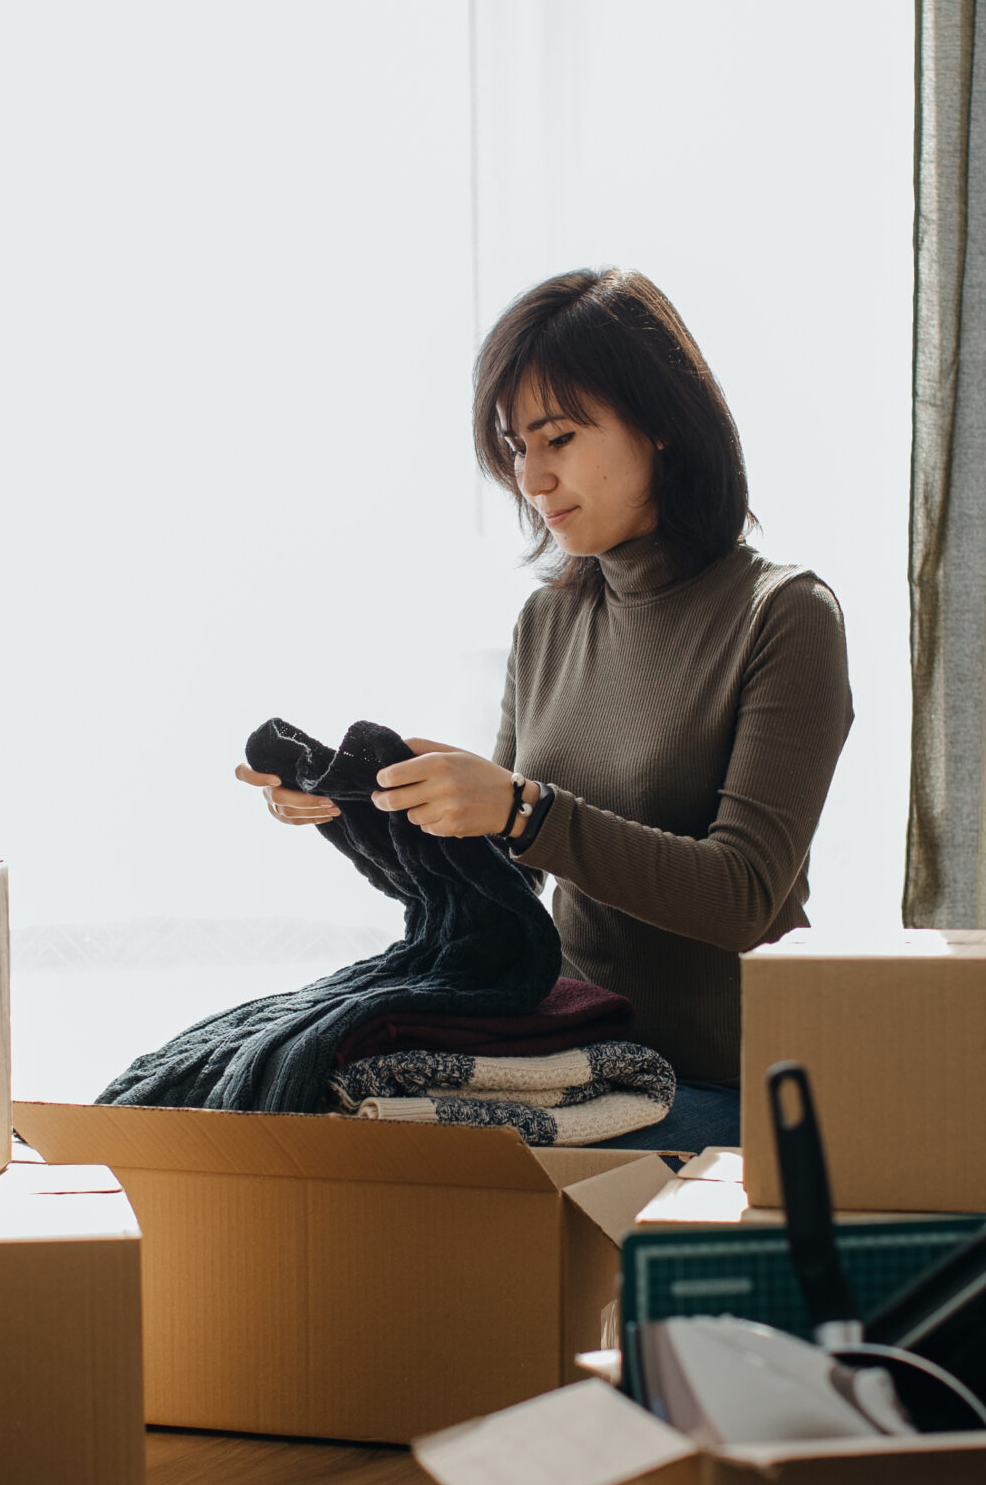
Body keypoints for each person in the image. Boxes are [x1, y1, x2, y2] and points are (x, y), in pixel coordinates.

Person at [236, 268, 852, 1149]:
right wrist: (363, 810)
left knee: (401, 1160)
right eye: (515, 447)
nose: (531, 476)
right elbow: (505, 890)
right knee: (301, 1094)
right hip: (573, 1068)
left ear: (663, 423)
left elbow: (745, 893)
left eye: (556, 437)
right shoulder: (549, 621)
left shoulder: (784, 615)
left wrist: (522, 807)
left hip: (723, 1090)